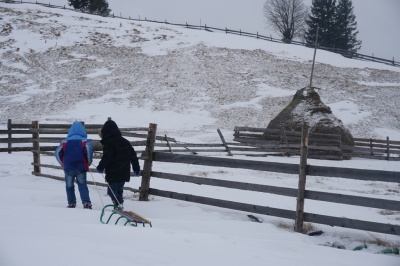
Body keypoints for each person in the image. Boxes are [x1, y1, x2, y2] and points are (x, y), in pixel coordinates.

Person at [96, 120, 141, 209]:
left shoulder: (109, 143)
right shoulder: (125, 141)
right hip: (124, 171)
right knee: (119, 190)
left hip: (113, 171)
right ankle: (118, 206)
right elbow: (133, 156)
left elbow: (107, 157)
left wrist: (100, 167)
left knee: (111, 192)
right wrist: (136, 168)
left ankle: (119, 204)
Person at [54, 121, 94, 209]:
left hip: (68, 168)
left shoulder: (64, 142)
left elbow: (57, 153)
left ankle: (71, 203)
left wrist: (63, 164)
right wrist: (89, 161)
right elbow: (88, 150)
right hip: (81, 167)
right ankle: (86, 202)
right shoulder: (84, 141)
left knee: (69, 185)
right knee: (82, 185)